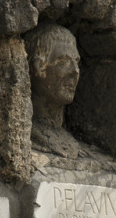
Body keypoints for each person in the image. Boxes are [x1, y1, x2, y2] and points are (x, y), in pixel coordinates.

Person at [25, 23, 81, 159]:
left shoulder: (71, 143)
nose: (75, 71)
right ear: (38, 68)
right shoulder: (25, 134)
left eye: (77, 62)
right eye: (64, 61)